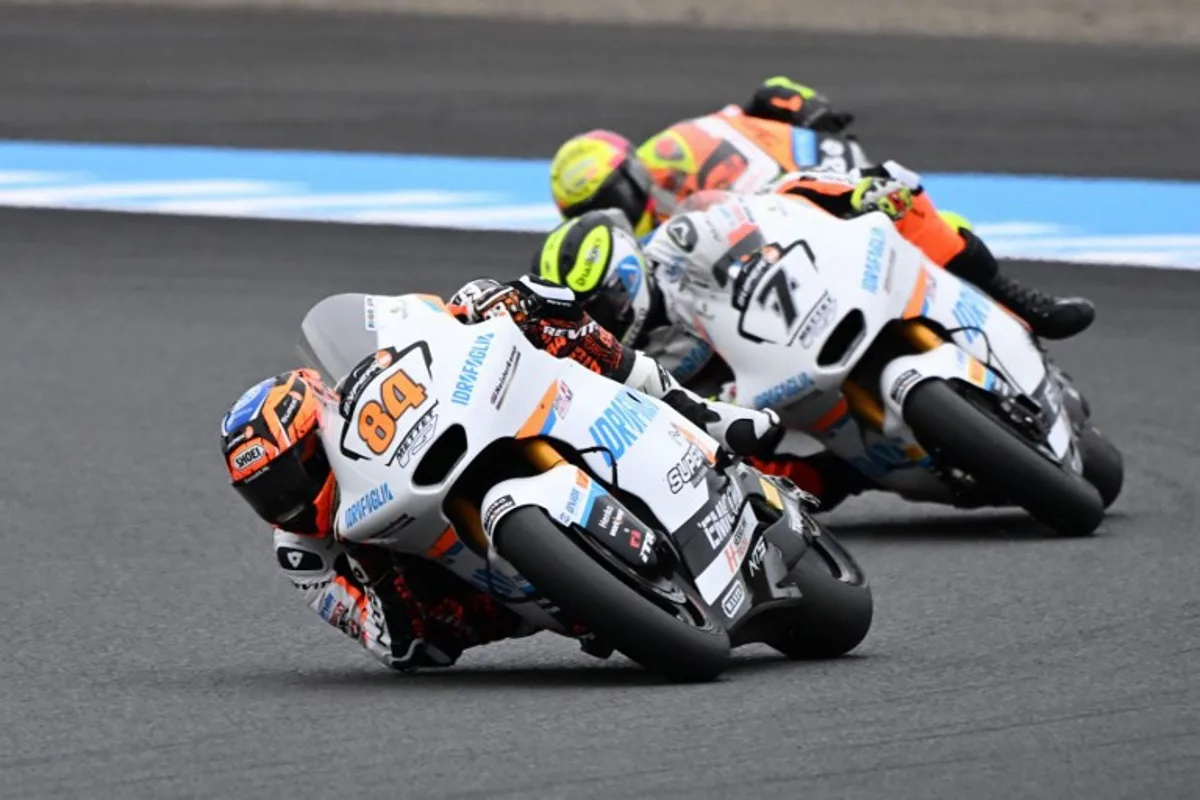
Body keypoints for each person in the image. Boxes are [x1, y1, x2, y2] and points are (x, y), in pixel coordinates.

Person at [219, 277, 785, 672]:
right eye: (268, 496)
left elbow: (423, 319)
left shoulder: (359, 409)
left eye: (294, 476)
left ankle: (701, 413)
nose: (289, 504)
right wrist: (366, 554)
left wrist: (472, 309)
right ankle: (592, 590)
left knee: (535, 311)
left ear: (321, 428)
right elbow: (390, 642)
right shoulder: (302, 552)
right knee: (424, 636)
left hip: (450, 441)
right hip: (463, 603)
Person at [546, 76, 1094, 342]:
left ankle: (1022, 302)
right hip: (760, 288)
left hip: (795, 204)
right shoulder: (636, 256)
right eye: (595, 209)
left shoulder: (674, 151)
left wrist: (804, 108)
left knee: (915, 210)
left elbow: (760, 101)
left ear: (632, 171)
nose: (618, 208)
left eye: (615, 191)